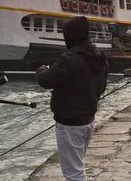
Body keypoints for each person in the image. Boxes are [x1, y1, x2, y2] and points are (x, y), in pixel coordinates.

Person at [36, 16, 108, 180]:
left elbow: (46, 80)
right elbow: (102, 87)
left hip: (70, 123)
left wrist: (41, 69)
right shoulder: (99, 55)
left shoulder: (70, 58)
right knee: (78, 165)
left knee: (73, 173)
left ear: (71, 36)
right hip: (88, 120)